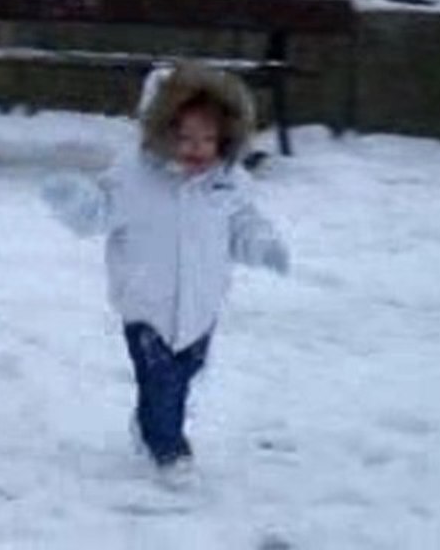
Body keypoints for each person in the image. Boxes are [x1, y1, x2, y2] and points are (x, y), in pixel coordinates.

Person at [41, 63, 290, 474]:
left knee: (185, 373)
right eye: (184, 137)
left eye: (208, 139)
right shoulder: (133, 178)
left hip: (200, 306)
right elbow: (100, 211)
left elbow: (244, 224)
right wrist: (77, 201)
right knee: (162, 382)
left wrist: (262, 246)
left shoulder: (228, 182)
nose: (197, 148)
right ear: (160, 131)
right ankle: (169, 449)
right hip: (146, 306)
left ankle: (148, 425)